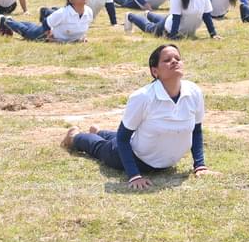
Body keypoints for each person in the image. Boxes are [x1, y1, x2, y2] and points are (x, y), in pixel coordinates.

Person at [62, 44, 209, 190]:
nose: (175, 61)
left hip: (161, 160)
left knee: (128, 136)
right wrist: (134, 175)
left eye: (177, 58)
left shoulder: (194, 91)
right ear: (155, 71)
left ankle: (100, 132)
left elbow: (196, 130)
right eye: (167, 60)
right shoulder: (143, 97)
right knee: (99, 148)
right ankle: (75, 137)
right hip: (133, 157)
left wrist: (200, 166)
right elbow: (123, 138)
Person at [0, 0, 93, 42]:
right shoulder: (63, 13)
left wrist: (82, 37)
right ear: (71, 0)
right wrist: (48, 35)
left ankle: (19, 22)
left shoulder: (89, 11)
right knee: (27, 32)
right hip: (43, 35)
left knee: (32, 27)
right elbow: (46, 23)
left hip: (62, 38)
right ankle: (6, 21)